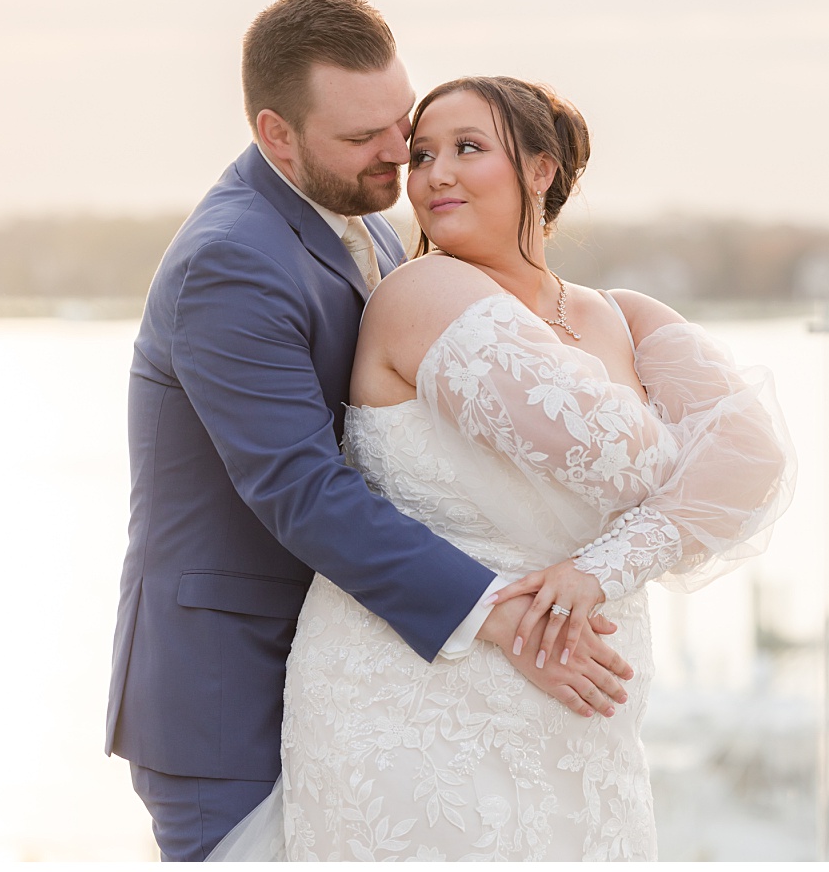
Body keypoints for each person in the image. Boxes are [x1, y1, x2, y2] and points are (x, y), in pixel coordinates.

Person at [105, 0, 636, 862]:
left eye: (401, 122)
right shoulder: (231, 260)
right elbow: (299, 489)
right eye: (362, 139)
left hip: (365, 682)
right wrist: (499, 615)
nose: (402, 158)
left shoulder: (377, 231)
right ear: (276, 134)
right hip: (229, 688)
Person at [211, 76, 796, 860]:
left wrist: (602, 570)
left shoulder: (620, 312)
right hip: (424, 707)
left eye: (468, 148)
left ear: (542, 170)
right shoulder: (424, 291)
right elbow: (617, 458)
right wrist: (689, 472)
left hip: (585, 714)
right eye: (421, 155)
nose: (435, 173)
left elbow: (757, 461)